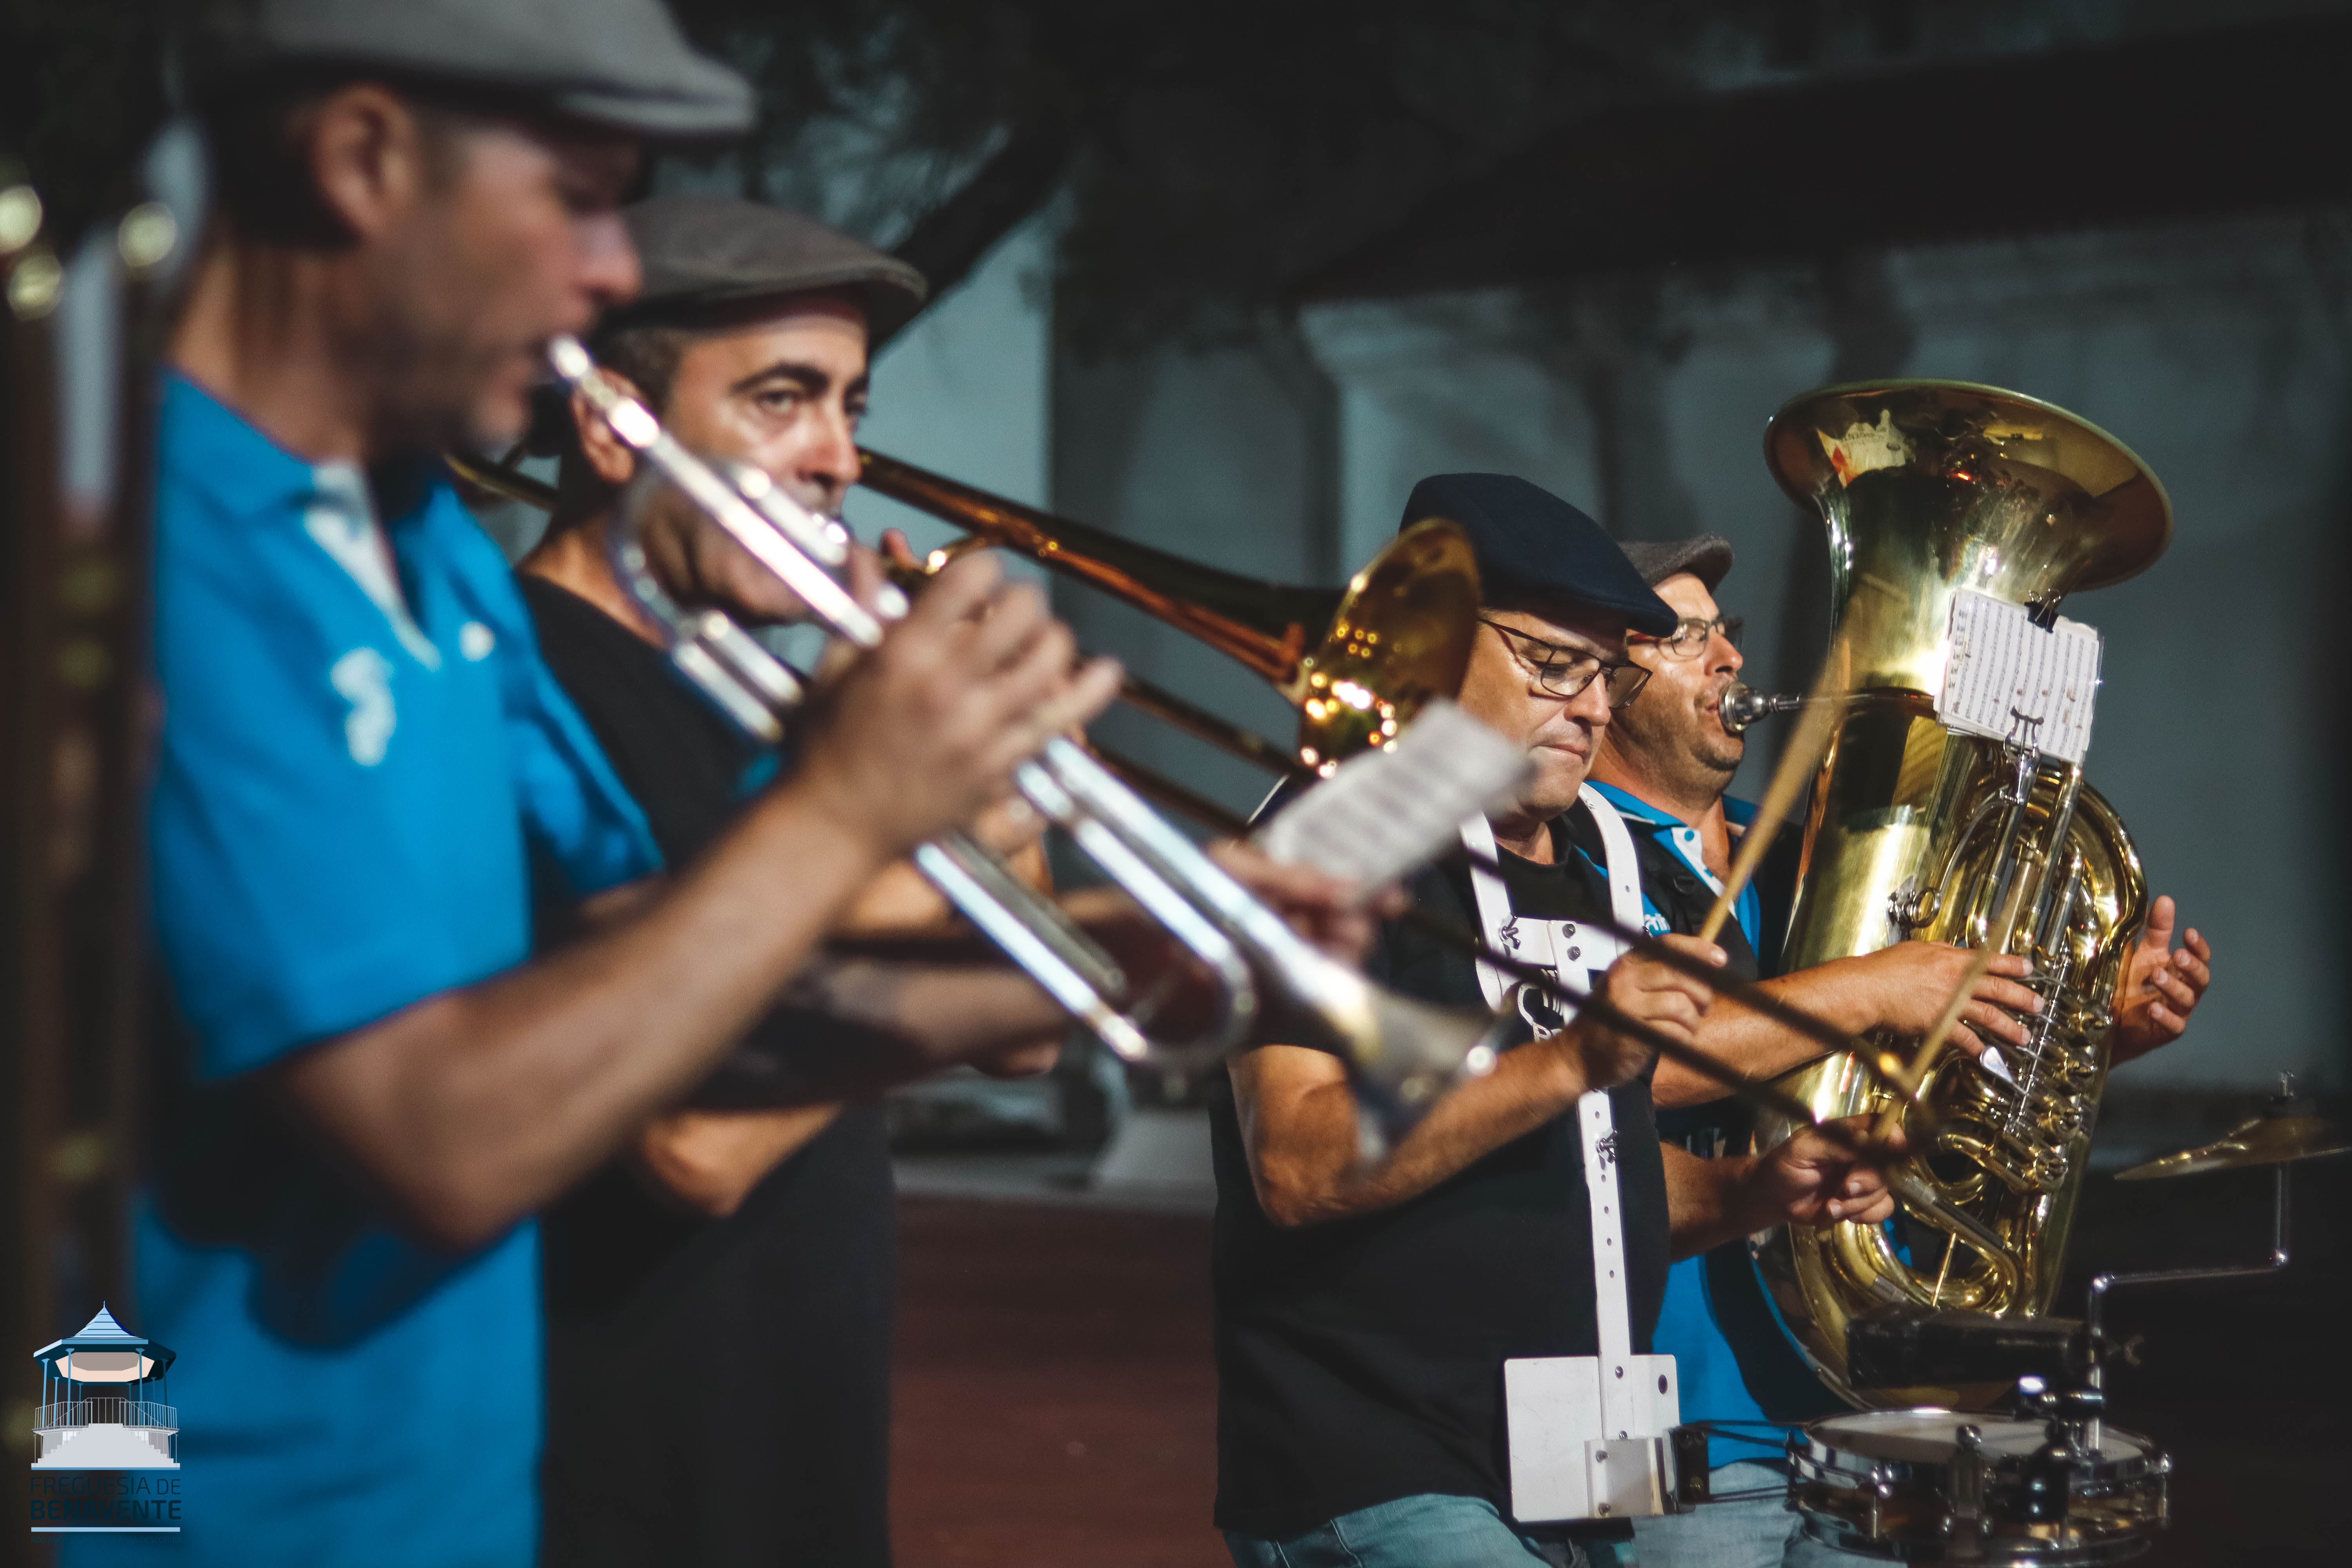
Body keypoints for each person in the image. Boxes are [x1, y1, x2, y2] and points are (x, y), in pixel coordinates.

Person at [125, 11, 1131, 1565]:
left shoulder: (426, 548)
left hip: (468, 1510)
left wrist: (1133, 956)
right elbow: (452, 1140)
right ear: (363, 158)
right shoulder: (147, 544)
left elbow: (661, 959)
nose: (609, 270)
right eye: (578, 198)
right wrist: (848, 807)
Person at [1209, 475, 1907, 1568]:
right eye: (1552, 665)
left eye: (1605, 674)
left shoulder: (1605, 862)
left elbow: (1593, 1172)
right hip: (1383, 1462)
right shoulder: (1330, 840)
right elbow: (1297, 1163)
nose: (1591, 709)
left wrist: (1753, 1192)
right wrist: (1574, 1056)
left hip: (1586, 1467)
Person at [513, 192, 1065, 1566]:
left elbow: (1030, 1037)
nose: (839, 459)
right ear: (610, 426)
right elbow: (693, 1145)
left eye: (850, 407)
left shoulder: (761, 705)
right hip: (611, 1494)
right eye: (781, 400)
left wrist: (988, 771)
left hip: (803, 1481)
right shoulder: (520, 690)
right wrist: (864, 825)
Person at [1590, 535, 2216, 1568]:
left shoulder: (1801, 854)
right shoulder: (1564, 849)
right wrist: (1874, 985)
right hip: (1674, 1433)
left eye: (1726, 632)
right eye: (1686, 637)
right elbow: (1616, 1068)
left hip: (1864, 1423)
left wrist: (2088, 1037)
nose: (1731, 658)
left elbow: (1903, 1094)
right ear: (1605, 678)